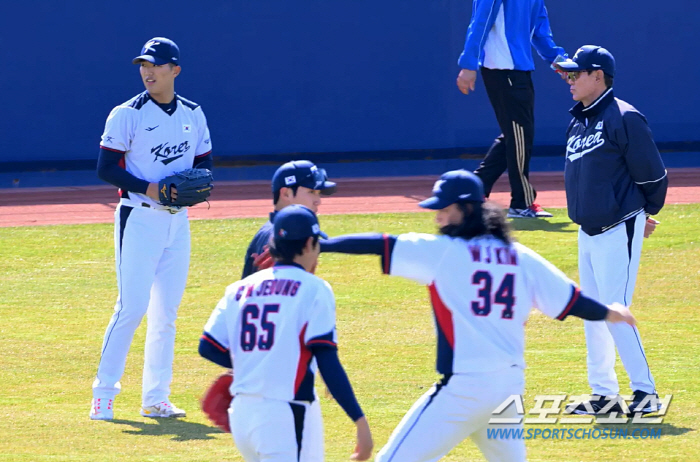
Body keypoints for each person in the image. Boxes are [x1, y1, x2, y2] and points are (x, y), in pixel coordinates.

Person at [317, 169, 636, 461]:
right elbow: (571, 301)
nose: (438, 218)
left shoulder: (443, 252)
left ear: (468, 210)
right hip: (508, 390)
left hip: (462, 392)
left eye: (445, 209)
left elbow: (380, 244)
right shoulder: (520, 257)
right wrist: (609, 312)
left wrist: (323, 246)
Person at [90, 37, 213, 420]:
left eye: (156, 65)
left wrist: (193, 189)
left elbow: (205, 166)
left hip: (177, 223)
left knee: (166, 313)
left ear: (174, 70)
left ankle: (156, 397)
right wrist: (153, 188)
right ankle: (104, 395)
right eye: (144, 64)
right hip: (139, 217)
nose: (148, 71)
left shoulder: (193, 113)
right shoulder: (127, 114)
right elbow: (106, 168)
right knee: (131, 308)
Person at [199, 205, 373, 461]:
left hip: (243, 416)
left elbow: (209, 346)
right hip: (284, 417)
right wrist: (359, 420)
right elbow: (326, 358)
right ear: (308, 245)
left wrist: (255, 362)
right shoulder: (314, 288)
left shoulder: (238, 289)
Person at [555, 46, 668, 415]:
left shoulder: (625, 117)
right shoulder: (580, 120)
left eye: (577, 74)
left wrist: (642, 214)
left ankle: (645, 394)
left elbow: (653, 176)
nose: (570, 80)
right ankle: (603, 394)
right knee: (593, 312)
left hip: (618, 227)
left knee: (616, 310)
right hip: (587, 230)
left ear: (598, 75)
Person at [456, 0, 567, 218]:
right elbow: (480, 21)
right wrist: (469, 63)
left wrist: (560, 63)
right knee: (519, 135)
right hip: (501, 69)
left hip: (520, 71)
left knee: (516, 134)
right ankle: (521, 202)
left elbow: (540, 31)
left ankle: (475, 188)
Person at [241, 160, 336, 278]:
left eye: (318, 193)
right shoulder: (280, 237)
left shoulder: (284, 231)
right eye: (311, 192)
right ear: (286, 194)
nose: (318, 201)